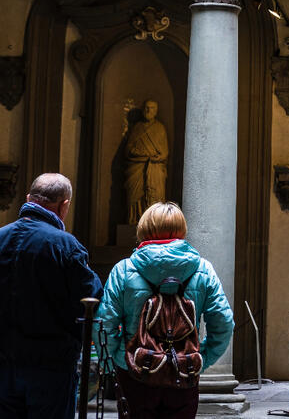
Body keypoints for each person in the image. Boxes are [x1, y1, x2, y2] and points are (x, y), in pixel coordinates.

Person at [97, 202, 234, 419]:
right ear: (181, 230)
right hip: (184, 372)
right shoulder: (203, 269)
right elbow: (224, 324)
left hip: (137, 374)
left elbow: (103, 325)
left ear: (144, 229)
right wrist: (201, 358)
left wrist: (124, 359)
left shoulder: (123, 270)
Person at [0, 172, 103, 419]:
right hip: (51, 368)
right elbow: (91, 297)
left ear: (28, 198)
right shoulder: (65, 246)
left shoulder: (1, 237)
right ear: (64, 205)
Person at [124, 99, 169, 224]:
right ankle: (136, 219)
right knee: (135, 196)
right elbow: (128, 150)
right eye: (147, 108)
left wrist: (156, 158)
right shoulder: (137, 128)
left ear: (156, 111)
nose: (149, 110)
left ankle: (154, 221)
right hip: (136, 167)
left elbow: (164, 152)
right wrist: (143, 155)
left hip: (155, 167)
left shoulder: (160, 128)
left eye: (152, 108)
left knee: (155, 195)